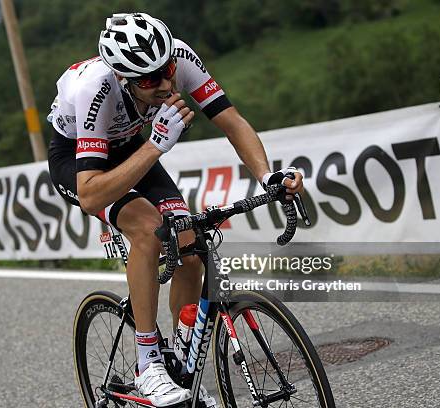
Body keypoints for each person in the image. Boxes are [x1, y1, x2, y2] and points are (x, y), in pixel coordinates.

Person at [47, 12, 304, 407]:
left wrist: (267, 176)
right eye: (150, 80)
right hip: (82, 161)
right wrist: (155, 145)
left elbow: (232, 122)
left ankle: (182, 362)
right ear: (123, 78)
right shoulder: (95, 90)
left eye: (166, 71)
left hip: (136, 144)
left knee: (188, 238)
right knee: (149, 230)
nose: (166, 84)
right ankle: (148, 363)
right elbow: (91, 195)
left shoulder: (179, 58)